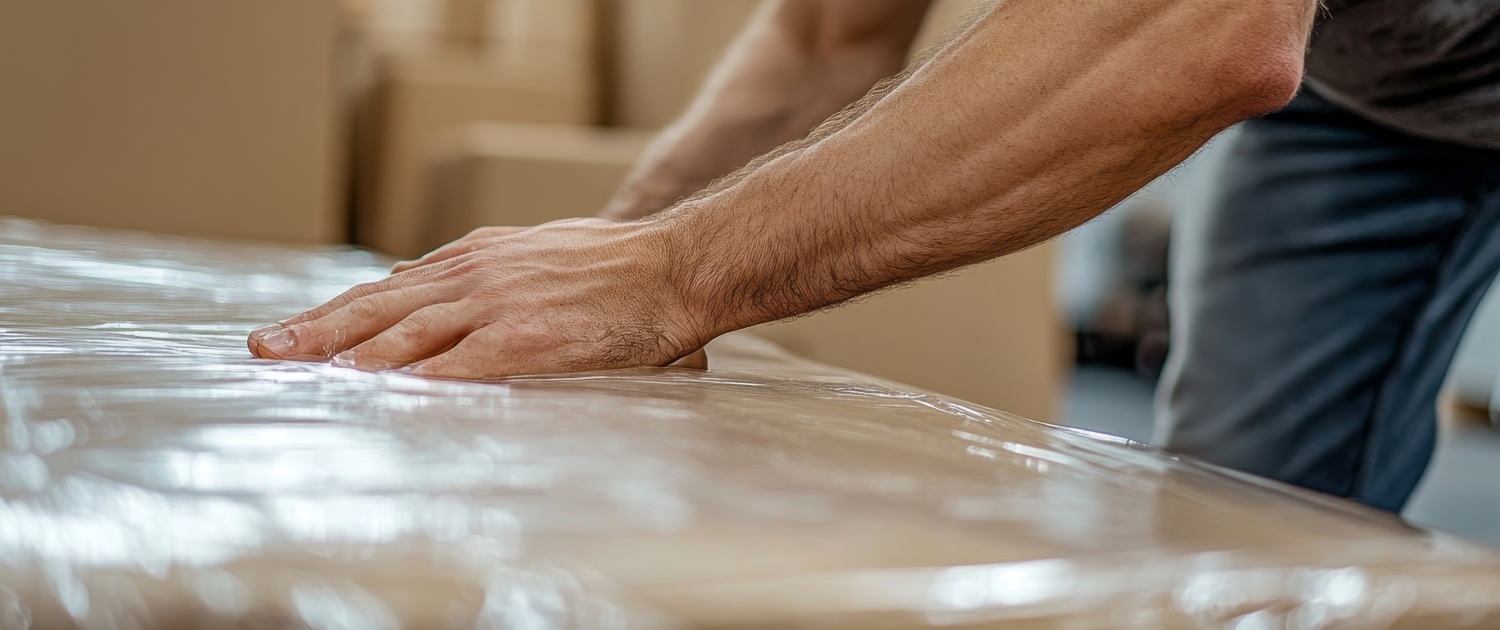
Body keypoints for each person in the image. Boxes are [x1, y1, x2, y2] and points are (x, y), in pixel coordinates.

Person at [250, 0, 1500, 512]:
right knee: (1247, 534)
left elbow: (1200, 28)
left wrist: (672, 275)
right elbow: (825, 37)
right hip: (1379, 91)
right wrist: (592, 286)